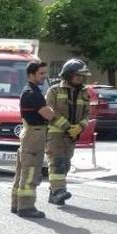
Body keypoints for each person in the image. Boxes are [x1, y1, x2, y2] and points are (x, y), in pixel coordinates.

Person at [10, 62, 56, 218]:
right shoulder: (34, 94)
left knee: (22, 171)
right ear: (31, 75)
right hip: (35, 135)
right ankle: (26, 206)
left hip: (30, 133)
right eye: (41, 73)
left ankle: (16, 204)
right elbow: (49, 115)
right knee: (31, 171)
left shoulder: (30, 91)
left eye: (45, 73)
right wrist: (52, 109)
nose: (44, 76)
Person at [45, 58, 92, 206]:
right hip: (55, 134)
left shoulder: (85, 93)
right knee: (57, 162)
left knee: (65, 164)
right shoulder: (54, 90)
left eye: (82, 75)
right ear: (68, 74)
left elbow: (87, 114)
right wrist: (67, 126)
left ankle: (54, 192)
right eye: (77, 75)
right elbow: (49, 111)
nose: (80, 78)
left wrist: (80, 127)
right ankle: (59, 191)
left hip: (71, 136)